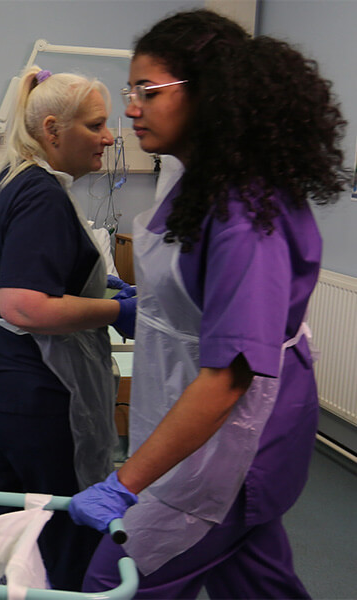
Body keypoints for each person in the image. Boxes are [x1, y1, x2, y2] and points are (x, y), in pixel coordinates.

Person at [69, 10, 349, 599]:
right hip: (201, 411)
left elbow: (230, 377)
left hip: (236, 436)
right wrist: (147, 303)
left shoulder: (245, 213)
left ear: (210, 95)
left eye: (149, 91)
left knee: (114, 581)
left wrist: (125, 484)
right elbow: (202, 299)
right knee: (254, 580)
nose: (131, 108)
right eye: (132, 91)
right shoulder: (201, 183)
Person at [0, 66, 135, 592]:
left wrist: (90, 279)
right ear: (54, 129)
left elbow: (21, 269)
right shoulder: (42, 194)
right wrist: (117, 312)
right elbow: (24, 306)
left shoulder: (10, 176)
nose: (110, 137)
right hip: (35, 389)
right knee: (64, 522)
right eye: (97, 125)